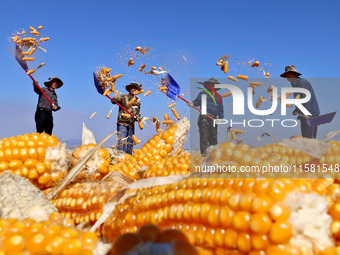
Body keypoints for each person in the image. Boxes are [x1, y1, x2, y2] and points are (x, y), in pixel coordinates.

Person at [280, 65, 320, 138]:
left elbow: (306, 98)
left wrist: (305, 113)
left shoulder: (301, 82)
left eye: (289, 74)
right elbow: (299, 99)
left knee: (309, 140)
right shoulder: (295, 84)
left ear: (295, 74)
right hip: (305, 114)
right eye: (286, 75)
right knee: (305, 139)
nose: (287, 76)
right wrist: (297, 110)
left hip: (310, 114)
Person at [188, 78, 224, 155]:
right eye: (211, 84)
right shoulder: (203, 94)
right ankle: (204, 156)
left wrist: (220, 119)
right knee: (204, 138)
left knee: (213, 139)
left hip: (214, 119)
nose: (212, 86)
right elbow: (197, 101)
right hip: (204, 118)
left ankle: (213, 156)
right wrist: (192, 103)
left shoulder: (219, 97)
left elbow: (221, 109)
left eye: (213, 85)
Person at [111, 82, 141, 155]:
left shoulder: (137, 100)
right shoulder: (124, 97)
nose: (133, 89)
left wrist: (137, 117)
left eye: (135, 88)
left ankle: (128, 159)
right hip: (122, 123)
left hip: (131, 124)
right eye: (132, 88)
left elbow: (138, 111)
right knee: (122, 142)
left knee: (130, 143)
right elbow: (115, 100)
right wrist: (114, 100)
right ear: (130, 89)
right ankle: (121, 159)